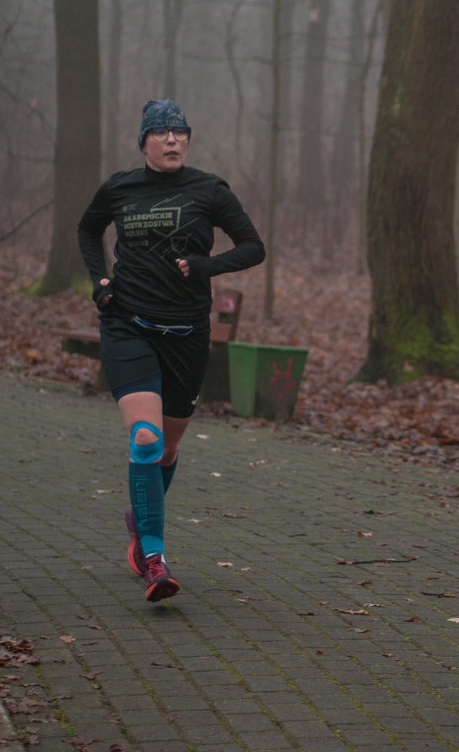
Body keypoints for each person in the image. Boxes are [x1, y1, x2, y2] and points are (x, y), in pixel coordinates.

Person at [77, 99, 265, 602]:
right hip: (128, 326)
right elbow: (87, 228)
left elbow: (252, 246)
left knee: (166, 449)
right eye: (160, 132)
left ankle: (139, 519)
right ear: (144, 142)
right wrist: (99, 282)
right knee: (144, 439)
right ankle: (153, 558)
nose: (171, 140)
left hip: (187, 334)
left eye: (179, 132)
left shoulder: (209, 189)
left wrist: (207, 266)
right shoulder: (120, 187)